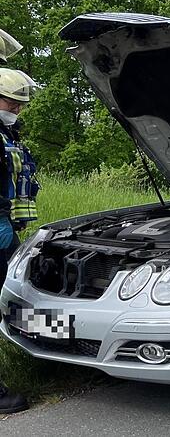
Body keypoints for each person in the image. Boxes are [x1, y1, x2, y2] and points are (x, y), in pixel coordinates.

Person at [0, 31, 34, 414]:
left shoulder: (8, 133)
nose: (16, 109)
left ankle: (58, 345)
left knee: (14, 296)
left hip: (6, 227)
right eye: (12, 102)